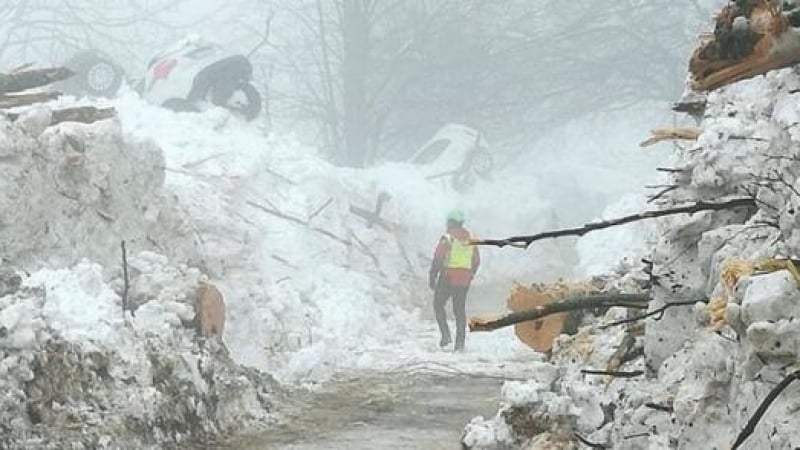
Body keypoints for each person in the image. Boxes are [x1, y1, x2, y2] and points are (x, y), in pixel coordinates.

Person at [429, 209, 480, 351]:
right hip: (464, 279)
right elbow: (476, 260)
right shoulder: (470, 238)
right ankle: (460, 344)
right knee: (459, 311)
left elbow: (438, 258)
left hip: (448, 276)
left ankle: (446, 336)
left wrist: (432, 276)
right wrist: (470, 275)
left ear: (451, 222)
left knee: (438, 305)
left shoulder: (448, 237)